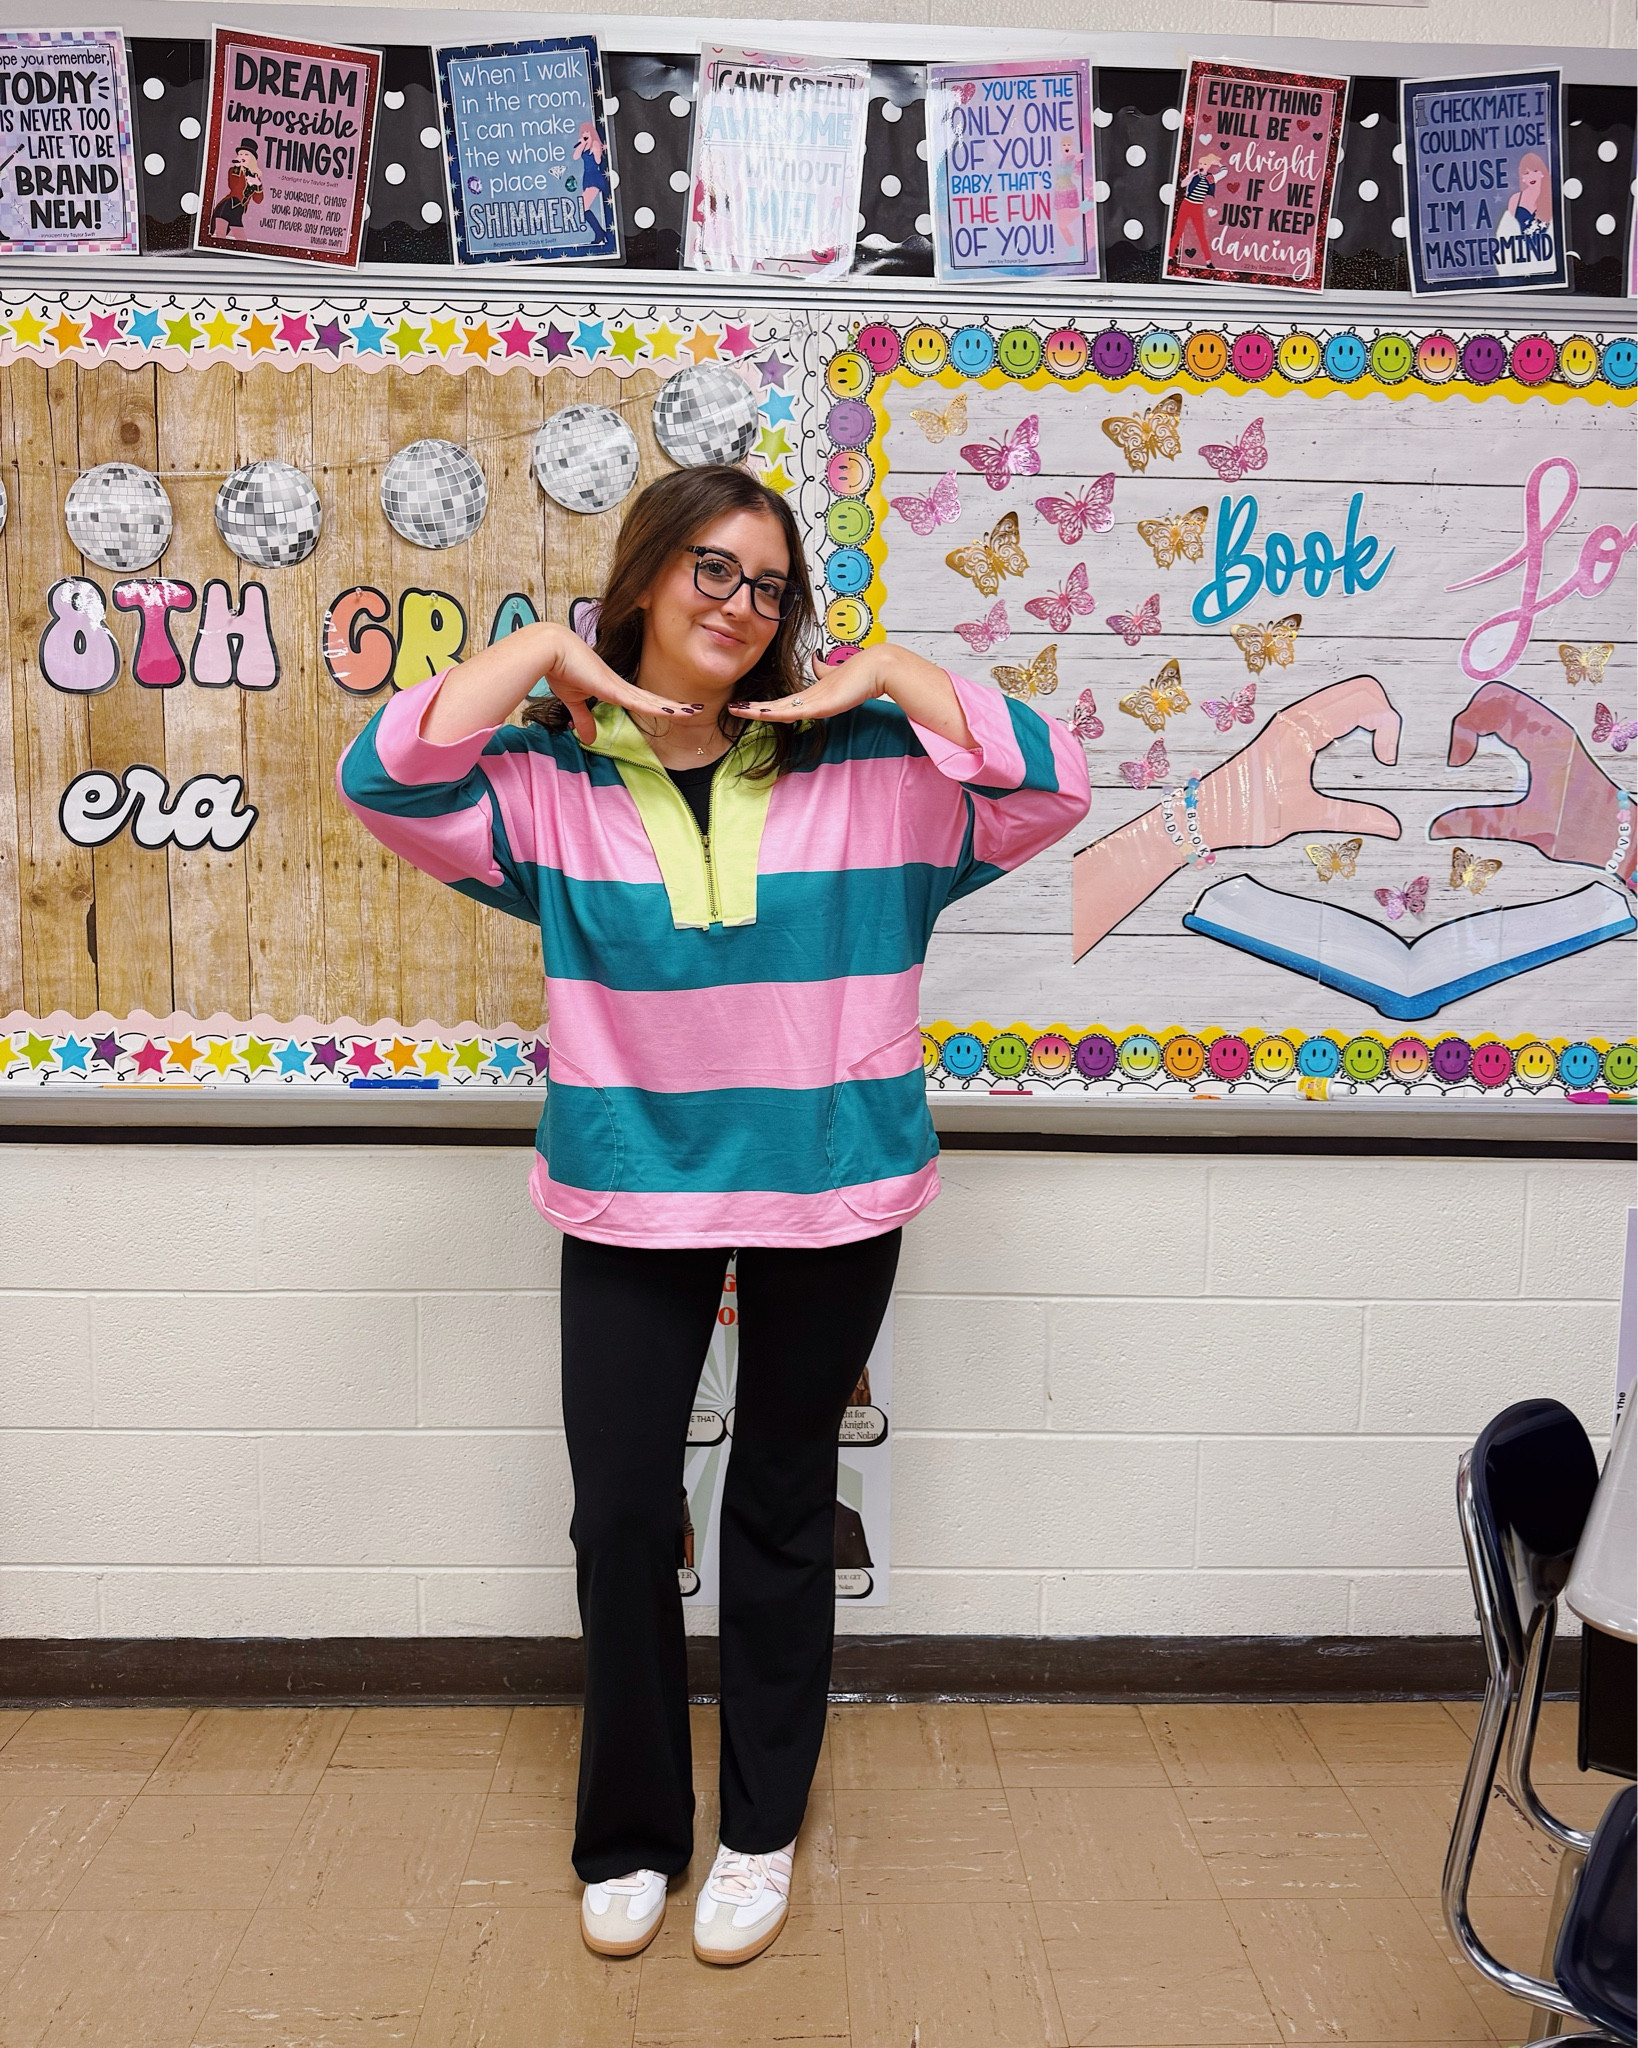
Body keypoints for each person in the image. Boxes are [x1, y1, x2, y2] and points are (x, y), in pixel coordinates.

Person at [336, 464, 1089, 1967]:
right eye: (709, 570)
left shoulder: (877, 760)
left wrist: (880, 668)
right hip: (626, 1188)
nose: (740, 606)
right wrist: (554, 660)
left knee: (777, 1507)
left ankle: (758, 1829)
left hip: (836, 1184)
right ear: (644, 578)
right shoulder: (544, 785)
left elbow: (1050, 781)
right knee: (622, 1514)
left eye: (768, 584)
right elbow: (384, 772)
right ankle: (629, 1837)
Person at [210, 138, 263, 238]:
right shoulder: (234, 171)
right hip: (228, 206)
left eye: (246, 154)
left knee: (240, 241)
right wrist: (238, 168)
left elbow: (258, 200)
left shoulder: (255, 176)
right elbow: (233, 186)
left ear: (252, 158)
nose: (242, 157)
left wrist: (258, 185)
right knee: (220, 237)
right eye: (241, 154)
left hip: (238, 211)